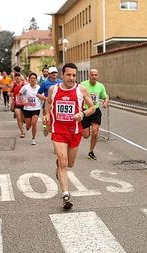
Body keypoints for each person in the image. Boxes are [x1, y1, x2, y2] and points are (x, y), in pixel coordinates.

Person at [43, 63, 95, 210]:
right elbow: (48, 102)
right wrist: (47, 115)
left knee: (70, 164)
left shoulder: (81, 90)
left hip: (74, 132)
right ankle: (66, 196)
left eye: (74, 75)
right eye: (68, 75)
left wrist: (82, 114)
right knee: (64, 162)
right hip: (58, 131)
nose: (71, 78)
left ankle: (59, 168)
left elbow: (92, 108)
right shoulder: (54, 89)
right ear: (62, 75)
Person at [80, 69, 109, 160]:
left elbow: (106, 96)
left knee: (95, 133)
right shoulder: (83, 85)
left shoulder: (100, 86)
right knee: (85, 135)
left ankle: (91, 152)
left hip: (95, 111)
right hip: (85, 111)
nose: (94, 77)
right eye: (92, 75)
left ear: (98, 76)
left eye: (96, 75)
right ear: (89, 76)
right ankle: (77, 131)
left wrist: (105, 102)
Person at [37, 66, 62, 136]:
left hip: (58, 104)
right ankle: (45, 127)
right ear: (49, 74)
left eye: (55, 73)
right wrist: (46, 99)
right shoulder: (45, 83)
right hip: (48, 104)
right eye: (52, 73)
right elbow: (38, 94)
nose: (54, 74)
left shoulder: (61, 82)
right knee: (46, 118)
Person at [19, 72, 42, 145]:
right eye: (31, 78)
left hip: (36, 107)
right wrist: (23, 101)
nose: (32, 80)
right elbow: (19, 94)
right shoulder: (25, 87)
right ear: (29, 79)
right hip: (27, 108)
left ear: (36, 80)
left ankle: (33, 138)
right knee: (28, 126)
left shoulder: (39, 88)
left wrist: (42, 101)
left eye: (34, 78)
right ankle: (27, 125)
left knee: (34, 123)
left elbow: (42, 96)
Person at [11, 73, 25, 138]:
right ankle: (22, 131)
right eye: (15, 76)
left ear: (21, 77)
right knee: (18, 117)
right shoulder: (13, 85)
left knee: (23, 119)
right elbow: (10, 92)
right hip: (17, 103)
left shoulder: (24, 84)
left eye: (18, 76)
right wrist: (11, 95)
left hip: (24, 103)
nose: (17, 78)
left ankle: (23, 124)